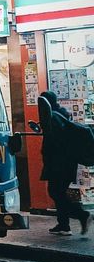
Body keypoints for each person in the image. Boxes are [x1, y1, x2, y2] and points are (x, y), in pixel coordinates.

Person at [39, 91, 92, 236]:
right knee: (58, 192)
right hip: (65, 163)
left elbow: (55, 143)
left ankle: (82, 215)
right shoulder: (60, 116)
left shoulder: (54, 118)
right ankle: (63, 225)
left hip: (59, 164)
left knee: (55, 192)